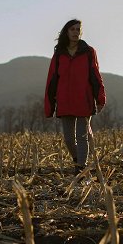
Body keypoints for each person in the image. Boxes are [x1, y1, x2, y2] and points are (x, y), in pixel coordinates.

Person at [45, 19, 106, 175]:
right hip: (64, 100)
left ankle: (80, 167)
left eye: (78, 29)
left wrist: (100, 98)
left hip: (84, 99)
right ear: (67, 32)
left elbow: (95, 75)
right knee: (68, 139)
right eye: (72, 29)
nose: (75, 32)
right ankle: (78, 161)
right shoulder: (59, 54)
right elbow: (52, 79)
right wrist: (50, 105)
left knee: (82, 136)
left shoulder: (88, 51)